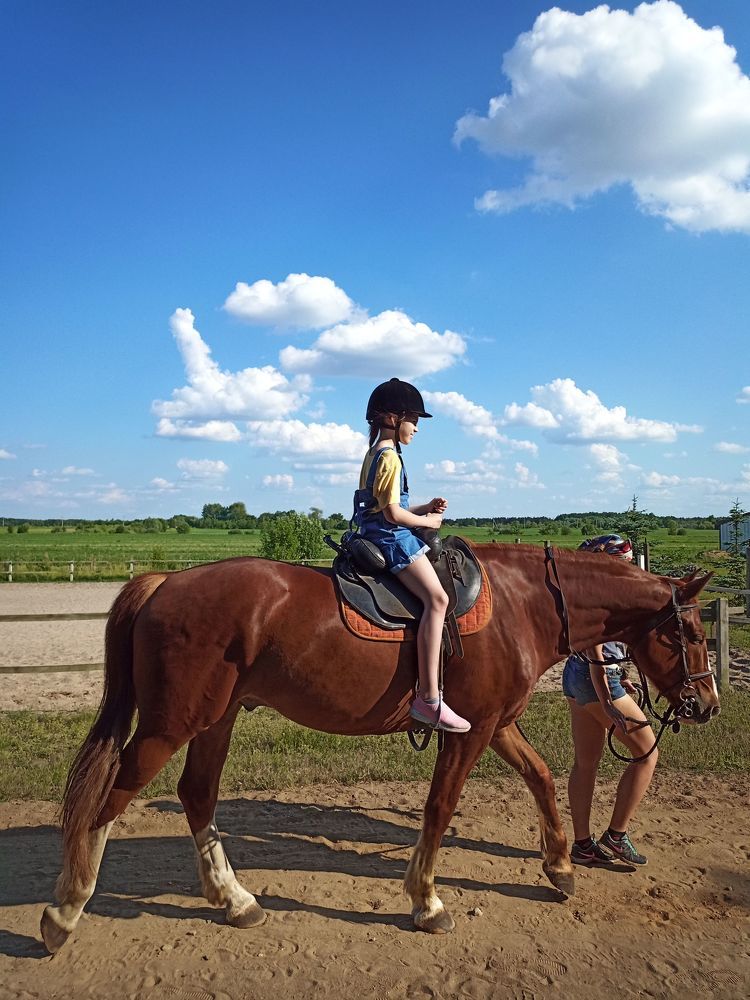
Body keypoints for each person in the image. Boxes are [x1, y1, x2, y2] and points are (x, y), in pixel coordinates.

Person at [354, 377, 471, 733]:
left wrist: (422, 505)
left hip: (374, 530)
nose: (417, 428)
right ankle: (429, 698)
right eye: (414, 419)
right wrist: (428, 520)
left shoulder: (375, 453)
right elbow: (392, 514)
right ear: (393, 417)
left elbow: (385, 504)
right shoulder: (389, 458)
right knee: (437, 600)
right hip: (391, 538)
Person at [563, 534, 656, 866]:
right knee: (647, 753)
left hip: (577, 677)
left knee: (585, 765)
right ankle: (616, 836)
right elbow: (597, 653)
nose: (629, 569)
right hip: (597, 681)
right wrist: (607, 700)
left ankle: (582, 845)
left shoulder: (586, 593)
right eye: (624, 562)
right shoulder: (600, 596)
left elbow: (603, 652)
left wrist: (621, 675)